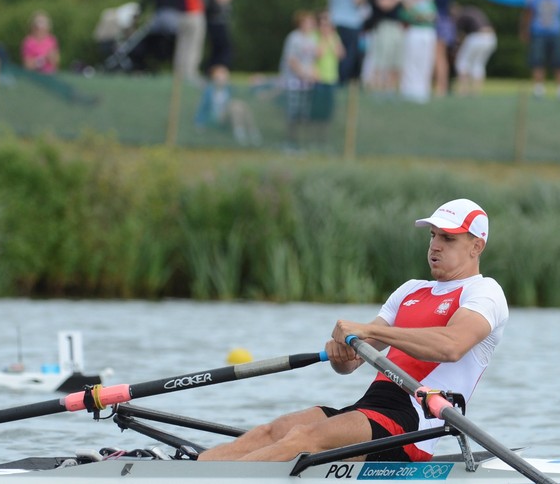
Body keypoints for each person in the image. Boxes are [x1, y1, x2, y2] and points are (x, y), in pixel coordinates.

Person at [198, 198, 507, 463]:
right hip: (370, 409)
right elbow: (352, 362)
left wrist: (374, 334)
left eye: (448, 239)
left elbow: (451, 346)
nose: (435, 246)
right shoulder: (411, 291)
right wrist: (341, 350)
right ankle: (193, 469)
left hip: (414, 425)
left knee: (302, 439)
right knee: (275, 431)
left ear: (476, 246)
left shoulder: (484, 292)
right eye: (433, 235)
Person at [278, 11, 320, 151]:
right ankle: (290, 143)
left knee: (304, 114)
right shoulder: (294, 38)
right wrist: (304, 74)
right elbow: (291, 60)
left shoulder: (313, 38)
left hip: (307, 84)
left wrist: (313, 73)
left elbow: (313, 59)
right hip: (293, 82)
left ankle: (301, 143)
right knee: (293, 114)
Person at [365, 0, 408, 95]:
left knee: (396, 62)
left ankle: (390, 90)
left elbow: (408, 7)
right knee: (381, 60)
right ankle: (377, 89)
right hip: (383, 26)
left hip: (397, 26)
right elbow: (384, 5)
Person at [328, 0, 370, 85]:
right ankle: (343, 85)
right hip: (351, 22)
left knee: (337, 54)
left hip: (335, 20)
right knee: (349, 56)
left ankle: (334, 82)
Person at [195, 64, 262, 147]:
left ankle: (244, 133)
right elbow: (203, 107)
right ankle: (251, 133)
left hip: (229, 116)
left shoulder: (229, 88)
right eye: (219, 76)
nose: (222, 79)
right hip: (217, 117)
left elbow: (244, 95)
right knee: (235, 105)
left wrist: (254, 86)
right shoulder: (209, 91)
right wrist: (199, 123)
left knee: (240, 105)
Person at [202, 0, 246, 71]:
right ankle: (216, 73)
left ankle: (214, 73)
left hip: (218, 19)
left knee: (218, 49)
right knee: (225, 49)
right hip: (215, 19)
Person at [400, 0, 438, 104]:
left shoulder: (429, 1)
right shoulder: (410, 0)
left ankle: (423, 91)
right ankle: (410, 91)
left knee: (426, 61)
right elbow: (407, 14)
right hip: (414, 32)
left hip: (428, 33)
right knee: (412, 61)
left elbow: (433, 15)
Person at [308, 11, 345, 144]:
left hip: (331, 78)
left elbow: (340, 55)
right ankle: (314, 135)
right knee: (317, 109)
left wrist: (331, 39)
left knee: (328, 110)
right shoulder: (315, 37)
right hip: (319, 79)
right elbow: (318, 54)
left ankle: (324, 136)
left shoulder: (335, 37)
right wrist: (324, 39)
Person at [452, 4, 497, 97]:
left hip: (476, 36)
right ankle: (476, 92)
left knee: (462, 62)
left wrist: (456, 47)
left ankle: (463, 90)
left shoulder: (460, 16)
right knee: (478, 64)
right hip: (491, 37)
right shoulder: (473, 10)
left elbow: (459, 36)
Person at [174, 0, 207, 83]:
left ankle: (180, 75)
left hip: (181, 16)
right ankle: (190, 75)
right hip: (192, 15)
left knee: (182, 47)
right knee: (193, 47)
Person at [432, 0, 457, 97]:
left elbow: (440, 3)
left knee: (439, 56)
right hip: (445, 21)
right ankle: (442, 86)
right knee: (441, 56)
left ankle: (440, 87)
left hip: (442, 22)